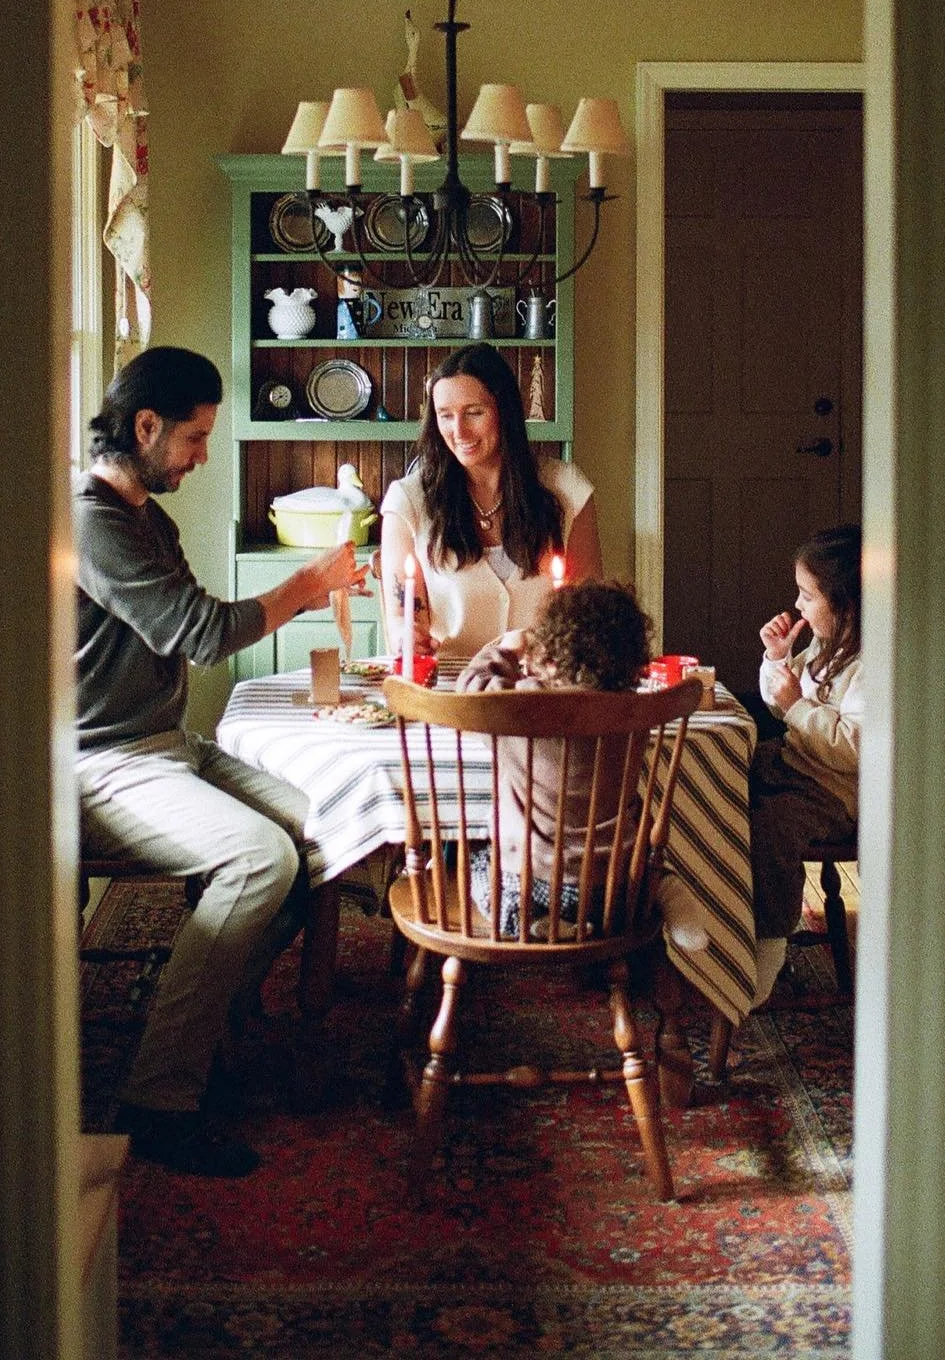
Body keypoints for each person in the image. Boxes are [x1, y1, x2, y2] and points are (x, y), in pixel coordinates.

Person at [75, 346, 365, 1175]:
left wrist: (307, 589)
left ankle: (211, 1014)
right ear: (145, 426)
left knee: (330, 829)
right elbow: (200, 635)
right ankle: (158, 1100)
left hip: (166, 746)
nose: (202, 456)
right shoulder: (92, 524)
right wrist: (307, 584)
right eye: (195, 437)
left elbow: (198, 621)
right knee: (260, 858)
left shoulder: (145, 519)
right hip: (102, 763)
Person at [380, 343, 602, 663]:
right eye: (445, 416)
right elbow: (401, 621)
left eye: (474, 412)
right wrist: (407, 637)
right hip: (450, 684)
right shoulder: (408, 500)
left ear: (504, 412)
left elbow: (590, 614)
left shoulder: (568, 490)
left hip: (541, 680)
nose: (459, 431)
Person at [455, 578, 650, 936]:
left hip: (534, 881)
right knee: (644, 867)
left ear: (549, 657)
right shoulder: (635, 710)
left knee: (475, 866)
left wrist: (506, 650)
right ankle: (653, 897)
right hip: (612, 887)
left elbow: (471, 689)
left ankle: (525, 918)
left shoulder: (523, 706)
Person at [748, 524, 863, 1006]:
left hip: (832, 791)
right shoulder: (823, 646)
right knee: (719, 775)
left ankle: (767, 948)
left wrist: (797, 705)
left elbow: (853, 746)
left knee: (771, 829)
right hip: (792, 763)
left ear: (846, 605)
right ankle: (716, 913)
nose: (798, 606)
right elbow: (779, 703)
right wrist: (778, 659)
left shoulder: (872, 666)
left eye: (808, 596)